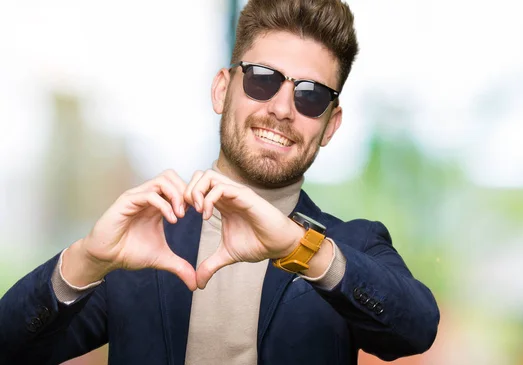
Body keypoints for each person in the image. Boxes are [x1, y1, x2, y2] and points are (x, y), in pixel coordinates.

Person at [0, 0, 440, 364]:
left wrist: (300, 249)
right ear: (221, 90)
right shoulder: (144, 243)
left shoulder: (350, 246)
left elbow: (415, 329)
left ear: (330, 125)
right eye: (263, 80)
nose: (283, 110)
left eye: (311, 96)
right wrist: (87, 259)